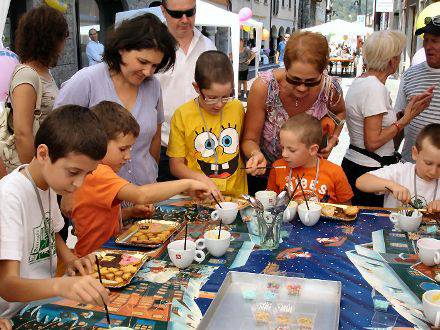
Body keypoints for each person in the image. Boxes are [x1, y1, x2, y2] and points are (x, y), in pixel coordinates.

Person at [0, 105, 110, 318]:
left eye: (88, 174)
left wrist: (70, 260)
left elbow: (50, 230)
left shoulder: (48, 184)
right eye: (73, 172)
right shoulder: (9, 196)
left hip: (39, 304)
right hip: (13, 314)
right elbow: (7, 285)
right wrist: (61, 286)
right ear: (43, 154)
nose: (79, 183)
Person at [70, 101, 210, 257]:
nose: (128, 156)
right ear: (98, 143)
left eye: (130, 148)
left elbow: (97, 218)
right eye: (122, 149)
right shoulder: (98, 173)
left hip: (104, 251)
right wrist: (189, 182)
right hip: (92, 259)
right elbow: (141, 195)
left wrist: (130, 212)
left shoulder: (99, 170)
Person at [55, 13, 176, 189]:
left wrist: (152, 175)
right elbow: (59, 136)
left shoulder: (153, 86)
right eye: (143, 61)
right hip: (97, 197)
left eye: (155, 66)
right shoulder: (86, 81)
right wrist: (68, 192)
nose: (148, 72)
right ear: (122, 49)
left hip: (144, 192)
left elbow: (155, 137)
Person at [242, 31, 346, 194]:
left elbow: (339, 114)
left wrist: (332, 139)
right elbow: (249, 139)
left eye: (311, 82)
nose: (302, 88)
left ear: (323, 71)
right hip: (265, 176)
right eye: (294, 80)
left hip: (309, 178)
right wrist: (256, 154)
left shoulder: (329, 88)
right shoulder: (264, 87)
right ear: (285, 65)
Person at [342, 30, 434, 206]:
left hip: (356, 163)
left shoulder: (361, 81)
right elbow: (373, 142)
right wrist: (404, 120)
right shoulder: (375, 88)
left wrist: (404, 113)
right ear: (392, 60)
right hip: (368, 167)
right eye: (398, 56)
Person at [167, 51, 247, 201]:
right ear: (197, 88)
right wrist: (200, 179)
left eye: (225, 96)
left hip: (236, 197)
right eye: (211, 98)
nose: (219, 104)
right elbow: (176, 165)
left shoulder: (236, 107)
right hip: (199, 196)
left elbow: (244, 143)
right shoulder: (183, 115)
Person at [157, 0, 216, 182]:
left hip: (201, 148)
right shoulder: (153, 46)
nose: (184, 19)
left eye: (190, 12)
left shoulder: (208, 46)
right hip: (162, 148)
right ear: (163, 11)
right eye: (177, 14)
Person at [4, 5, 68, 170]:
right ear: (49, 39)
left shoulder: (44, 71)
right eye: (62, 37)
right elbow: (22, 134)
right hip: (32, 170)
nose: (64, 44)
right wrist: (35, 177)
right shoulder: (27, 75)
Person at [267, 113, 353, 204]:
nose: (284, 154)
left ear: (313, 150)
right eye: (282, 147)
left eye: (292, 150)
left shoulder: (335, 172)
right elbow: (271, 203)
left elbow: (346, 208)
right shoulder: (277, 167)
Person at [356, 124, 440, 212]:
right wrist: (391, 185)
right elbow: (361, 181)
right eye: (428, 163)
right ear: (415, 153)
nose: (433, 172)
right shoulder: (400, 171)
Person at [395, 16, 440, 164]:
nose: (428, 46)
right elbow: (399, 118)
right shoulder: (410, 74)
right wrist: (392, 154)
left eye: (434, 41)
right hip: (409, 166)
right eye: (426, 40)